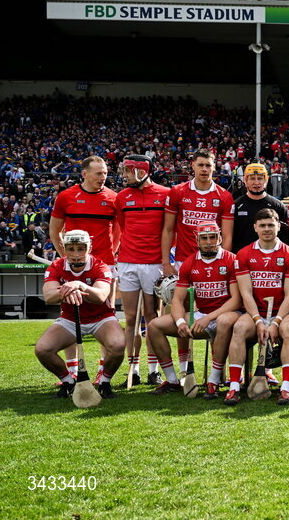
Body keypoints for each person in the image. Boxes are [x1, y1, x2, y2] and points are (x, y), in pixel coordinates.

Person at [161, 149, 234, 378]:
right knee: (181, 314)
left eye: (208, 166)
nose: (204, 170)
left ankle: (218, 371)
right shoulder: (178, 192)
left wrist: (223, 263)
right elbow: (168, 228)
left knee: (215, 315)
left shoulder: (223, 195)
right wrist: (166, 261)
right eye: (201, 165)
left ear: (214, 167)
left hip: (215, 261)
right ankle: (185, 369)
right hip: (184, 261)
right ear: (192, 165)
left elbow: (227, 236)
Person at [146, 221, 241, 398]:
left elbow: (236, 300)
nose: (209, 242)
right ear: (197, 240)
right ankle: (173, 380)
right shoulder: (189, 263)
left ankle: (213, 381)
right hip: (201, 315)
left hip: (225, 314)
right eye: (204, 238)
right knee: (154, 326)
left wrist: (208, 318)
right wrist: (181, 321)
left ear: (220, 238)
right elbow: (178, 300)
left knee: (223, 320)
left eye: (213, 237)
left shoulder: (231, 260)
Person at [49, 155, 121, 384]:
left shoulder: (113, 198)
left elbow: (118, 232)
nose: (103, 178)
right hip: (72, 264)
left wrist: (110, 256)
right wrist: (64, 259)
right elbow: (55, 230)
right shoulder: (66, 196)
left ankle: (102, 370)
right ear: (85, 174)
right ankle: (72, 370)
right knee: (71, 313)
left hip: (103, 265)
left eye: (106, 173)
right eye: (99, 173)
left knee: (104, 314)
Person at [34, 230, 124, 400]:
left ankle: (105, 382)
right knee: (42, 349)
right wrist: (67, 290)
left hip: (101, 317)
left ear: (89, 248)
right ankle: (68, 381)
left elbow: (100, 297)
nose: (76, 255)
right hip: (70, 318)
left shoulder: (100, 266)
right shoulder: (56, 266)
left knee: (118, 345)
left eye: (81, 248)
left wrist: (78, 285)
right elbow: (49, 296)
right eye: (71, 249)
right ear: (64, 249)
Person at [225, 208, 289, 406]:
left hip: (282, 312)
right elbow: (246, 293)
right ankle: (234, 387)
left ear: (278, 226)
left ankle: (285, 388)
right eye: (262, 225)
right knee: (239, 328)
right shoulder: (243, 255)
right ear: (255, 228)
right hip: (254, 312)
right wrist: (258, 321)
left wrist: (275, 322)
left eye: (271, 225)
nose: (267, 229)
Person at [114, 154, 169, 387]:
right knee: (130, 318)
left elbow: (169, 229)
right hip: (127, 262)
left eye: (128, 170)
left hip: (154, 264)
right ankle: (133, 369)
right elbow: (121, 227)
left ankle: (153, 370)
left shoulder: (165, 194)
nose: (124, 175)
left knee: (152, 318)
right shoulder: (122, 197)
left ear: (141, 170)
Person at [231, 163, 289, 252]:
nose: (256, 182)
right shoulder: (236, 206)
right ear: (245, 180)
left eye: (260, 178)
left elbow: (285, 238)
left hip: (272, 260)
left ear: (266, 180)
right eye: (252, 178)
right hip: (242, 259)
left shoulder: (278, 206)